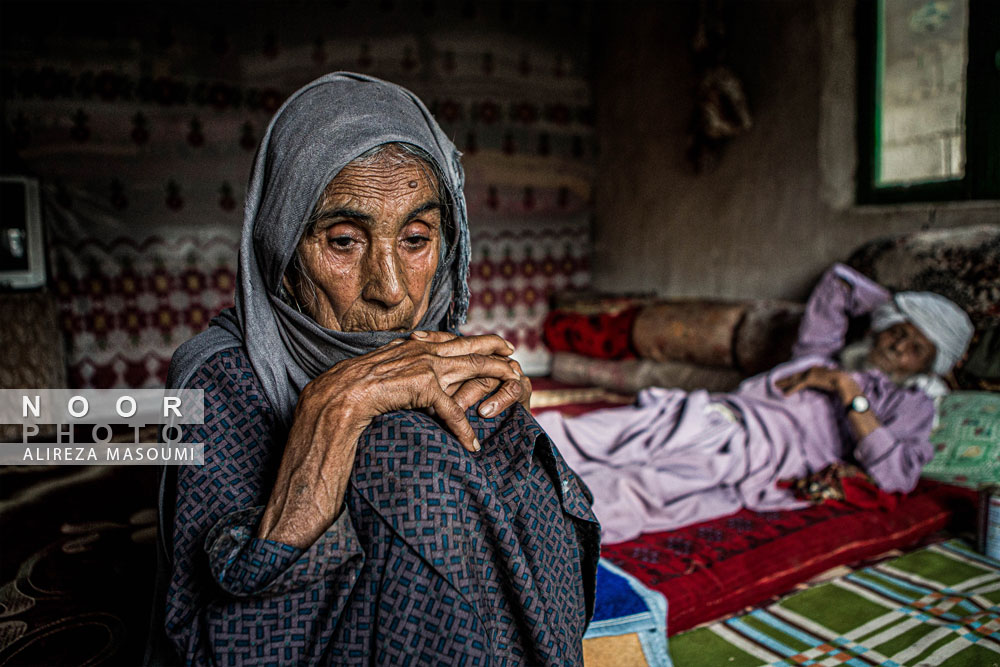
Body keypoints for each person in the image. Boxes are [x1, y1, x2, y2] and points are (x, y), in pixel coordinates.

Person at [152, 73, 599, 666]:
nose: (390, 290)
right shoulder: (216, 381)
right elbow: (208, 646)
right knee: (403, 446)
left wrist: (512, 429)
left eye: (416, 238)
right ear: (280, 249)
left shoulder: (441, 352)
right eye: (343, 241)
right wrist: (332, 411)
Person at [535, 263, 973, 544]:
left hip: (760, 453)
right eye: (899, 329)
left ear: (930, 365)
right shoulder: (818, 354)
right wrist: (902, 307)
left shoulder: (909, 403)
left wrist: (848, 392)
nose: (899, 344)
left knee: (640, 486)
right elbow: (839, 282)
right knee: (591, 430)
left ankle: (534, 519)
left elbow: (895, 475)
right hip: (711, 413)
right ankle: (498, 456)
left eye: (918, 346)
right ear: (882, 325)